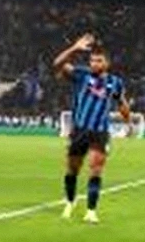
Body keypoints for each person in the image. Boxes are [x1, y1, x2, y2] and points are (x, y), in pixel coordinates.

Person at [53, 34, 130, 224]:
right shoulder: (82, 75)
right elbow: (57, 64)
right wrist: (74, 48)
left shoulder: (116, 82)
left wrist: (127, 120)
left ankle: (91, 211)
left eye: (99, 60)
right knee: (73, 169)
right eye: (92, 60)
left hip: (100, 132)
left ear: (107, 63)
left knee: (96, 169)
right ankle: (70, 202)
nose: (94, 64)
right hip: (79, 130)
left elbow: (121, 102)